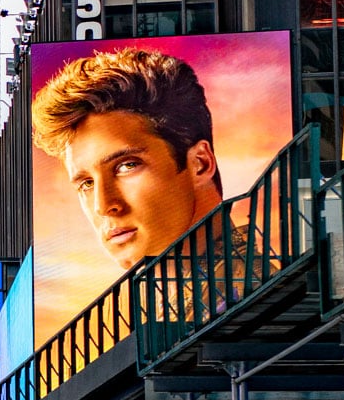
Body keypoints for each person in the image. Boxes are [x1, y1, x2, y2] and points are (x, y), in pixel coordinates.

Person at [32, 47, 226, 272]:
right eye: (87, 183)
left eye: (127, 166)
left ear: (200, 163)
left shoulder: (246, 284)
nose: (103, 206)